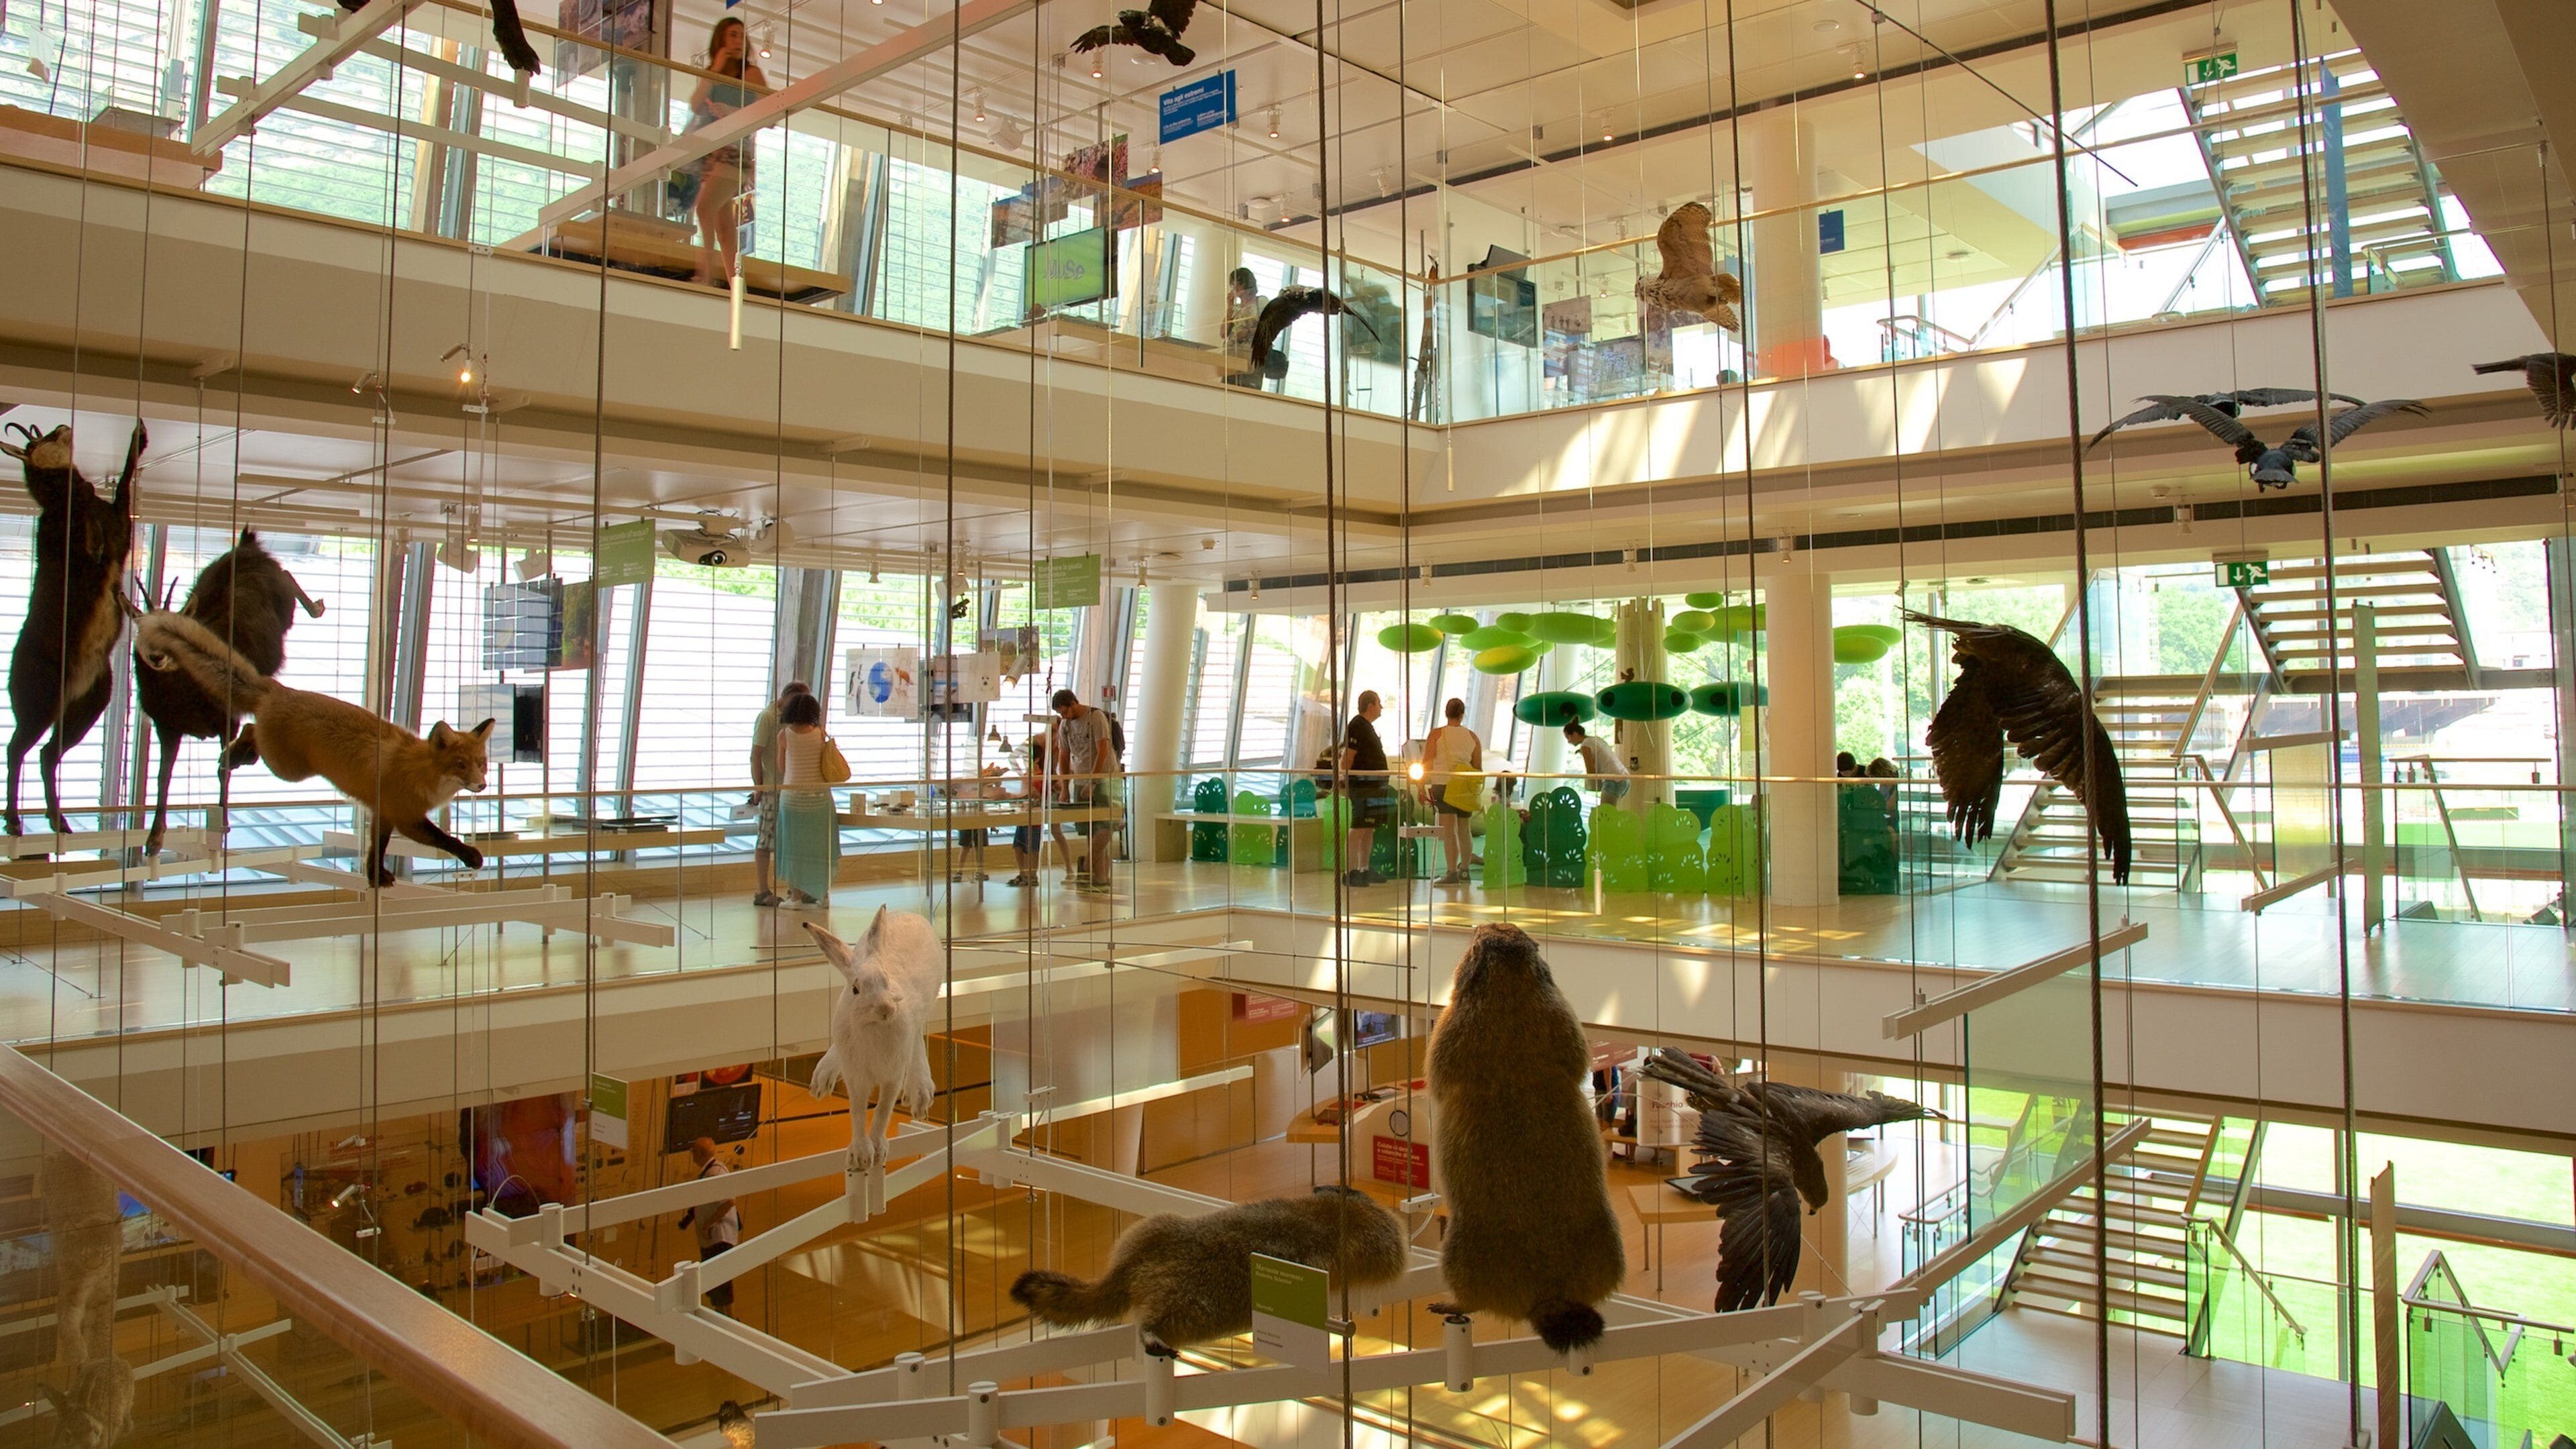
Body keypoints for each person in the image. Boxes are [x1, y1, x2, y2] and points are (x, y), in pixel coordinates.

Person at [687, 17, 769, 288]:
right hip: (712, 154)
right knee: (723, 226)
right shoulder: (715, 71)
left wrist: (734, 113)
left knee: (704, 207)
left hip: (736, 153)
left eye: (741, 36)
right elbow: (696, 105)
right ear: (721, 39)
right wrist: (718, 67)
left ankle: (706, 274)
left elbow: (770, 113)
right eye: (732, 35)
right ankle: (737, 285)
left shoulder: (751, 72)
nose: (737, 41)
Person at [771, 688, 838, 910]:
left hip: (793, 800)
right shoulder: (820, 733)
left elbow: (782, 767)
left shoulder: (784, 736)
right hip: (819, 800)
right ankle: (824, 896)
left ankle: (796, 897)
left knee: (793, 848)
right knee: (820, 848)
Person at [1052, 689, 1121, 895]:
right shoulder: (1065, 725)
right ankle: (1100, 879)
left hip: (1105, 777)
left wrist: (1094, 780)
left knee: (1106, 826)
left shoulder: (1095, 717)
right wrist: (1065, 787)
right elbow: (1064, 756)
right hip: (1081, 779)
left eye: (1065, 712)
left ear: (1074, 703)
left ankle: (1087, 864)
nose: (1064, 717)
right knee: (1090, 829)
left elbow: (1103, 751)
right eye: (1061, 714)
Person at [749, 680, 809, 908]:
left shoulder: (793, 719)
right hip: (773, 788)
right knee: (766, 840)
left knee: (792, 841)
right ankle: (762, 890)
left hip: (791, 788)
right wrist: (759, 787)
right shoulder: (768, 717)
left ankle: (798, 889)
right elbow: (756, 755)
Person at [1421, 697, 1483, 885]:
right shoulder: (1472, 737)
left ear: (1446, 713)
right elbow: (1478, 767)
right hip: (1465, 786)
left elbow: (1427, 762)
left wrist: (1420, 786)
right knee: (1465, 829)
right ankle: (1464, 870)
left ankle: (1451, 872)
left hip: (1443, 785)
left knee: (1449, 831)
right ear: (1462, 715)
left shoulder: (1437, 734)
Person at [676, 1137, 741, 1313]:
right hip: (712, 1239)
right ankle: (723, 1316)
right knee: (716, 1283)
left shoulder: (715, 1174)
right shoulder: (709, 1172)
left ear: (700, 1154)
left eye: (693, 1151)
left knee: (721, 1282)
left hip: (719, 1238)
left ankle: (728, 1319)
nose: (691, 1155)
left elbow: (729, 1202)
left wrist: (708, 1225)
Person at [1340, 691, 1391, 888]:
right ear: (1370, 705)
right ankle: (1350, 870)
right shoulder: (1357, 726)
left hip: (1375, 786)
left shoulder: (1368, 728)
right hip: (1363, 786)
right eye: (1379, 703)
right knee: (1359, 827)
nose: (1381, 707)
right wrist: (1345, 776)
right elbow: (1348, 756)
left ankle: (1364, 868)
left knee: (1369, 827)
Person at [1005, 738, 1051, 887]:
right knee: (1018, 846)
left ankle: (1032, 875)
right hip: (1024, 814)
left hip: (1035, 816)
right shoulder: (1026, 776)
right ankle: (1023, 873)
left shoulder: (1040, 777)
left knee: (1032, 848)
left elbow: (1042, 796)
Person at [1564, 721, 1627, 805]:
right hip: (1624, 777)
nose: (1569, 741)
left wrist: (1589, 784)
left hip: (1613, 780)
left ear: (1575, 734)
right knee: (1611, 812)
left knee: (1606, 814)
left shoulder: (1585, 745)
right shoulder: (1596, 740)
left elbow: (1591, 771)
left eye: (1568, 737)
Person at [1222, 266, 1265, 388]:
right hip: (1230, 359)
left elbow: (1267, 327)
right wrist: (1230, 307)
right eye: (1232, 284)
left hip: (1250, 358)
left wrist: (1247, 332)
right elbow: (1223, 333)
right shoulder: (1236, 308)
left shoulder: (1260, 302)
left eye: (1238, 284)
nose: (1234, 288)